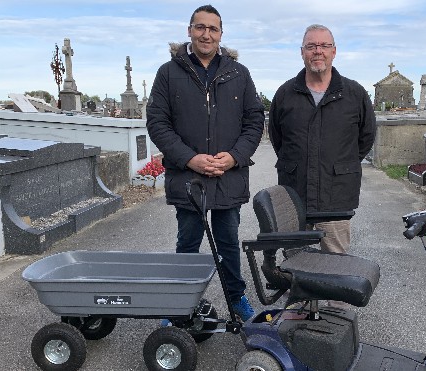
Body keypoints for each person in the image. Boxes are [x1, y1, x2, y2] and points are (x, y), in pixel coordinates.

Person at [146, 4, 265, 321]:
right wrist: (190, 159)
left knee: (228, 242)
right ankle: (179, 304)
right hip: (189, 178)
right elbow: (158, 123)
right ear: (189, 30)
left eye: (213, 29)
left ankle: (236, 299)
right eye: (200, 27)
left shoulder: (239, 74)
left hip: (229, 176)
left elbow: (254, 122)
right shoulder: (169, 73)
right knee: (188, 243)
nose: (206, 34)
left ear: (221, 34)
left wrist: (234, 157)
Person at [269, 24, 376, 255]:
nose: (318, 51)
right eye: (311, 46)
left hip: (336, 194)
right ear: (302, 52)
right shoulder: (285, 94)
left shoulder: (354, 94)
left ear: (334, 51)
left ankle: (330, 292)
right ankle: (297, 291)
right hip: (294, 189)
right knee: (294, 258)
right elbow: (278, 138)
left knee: (335, 259)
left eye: (324, 45)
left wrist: (340, 163)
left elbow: (366, 138)